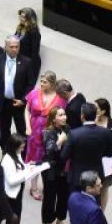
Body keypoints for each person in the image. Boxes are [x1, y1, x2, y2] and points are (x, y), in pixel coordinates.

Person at [24, 70, 65, 200]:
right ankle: (34, 187)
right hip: (34, 131)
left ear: (52, 84)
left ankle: (47, 184)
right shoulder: (34, 93)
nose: (41, 84)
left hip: (50, 133)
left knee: (48, 158)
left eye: (44, 82)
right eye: (41, 81)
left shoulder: (60, 98)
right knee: (34, 160)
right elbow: (26, 110)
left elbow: (62, 116)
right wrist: (28, 127)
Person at [61, 103, 112, 190]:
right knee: (94, 202)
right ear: (95, 115)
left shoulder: (74, 134)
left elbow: (64, 156)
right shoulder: (106, 133)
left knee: (76, 201)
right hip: (96, 177)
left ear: (82, 116)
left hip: (77, 177)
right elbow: (109, 153)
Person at [0, 35, 33, 140]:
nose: (14, 49)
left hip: (18, 103)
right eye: (12, 47)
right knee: (4, 130)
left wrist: (23, 100)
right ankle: (6, 152)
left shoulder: (27, 62)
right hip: (2, 102)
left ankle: (22, 153)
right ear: (5, 46)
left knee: (22, 130)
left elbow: (30, 84)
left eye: (17, 47)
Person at [0, 134, 34, 224]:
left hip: (17, 193)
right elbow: (11, 180)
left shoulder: (16, 154)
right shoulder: (7, 160)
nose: (23, 149)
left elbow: (21, 167)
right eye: (21, 147)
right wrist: (26, 174)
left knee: (16, 220)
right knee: (12, 221)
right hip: (11, 195)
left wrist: (29, 167)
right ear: (14, 146)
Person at [41, 107, 71, 224]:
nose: (64, 117)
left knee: (64, 195)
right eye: (60, 115)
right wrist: (61, 141)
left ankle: (60, 220)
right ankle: (48, 222)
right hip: (51, 169)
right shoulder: (48, 131)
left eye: (64, 114)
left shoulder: (68, 129)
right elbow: (49, 150)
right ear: (54, 119)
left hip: (65, 168)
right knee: (50, 196)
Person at [93, 98, 112, 208]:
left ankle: (101, 212)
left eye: (96, 108)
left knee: (104, 188)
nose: (93, 109)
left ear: (103, 111)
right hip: (92, 160)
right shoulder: (91, 122)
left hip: (107, 162)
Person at [16, 7, 42, 83]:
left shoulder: (34, 33)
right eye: (20, 16)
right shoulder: (20, 28)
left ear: (30, 19)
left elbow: (34, 53)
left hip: (27, 63)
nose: (21, 19)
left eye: (24, 17)